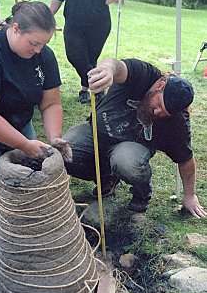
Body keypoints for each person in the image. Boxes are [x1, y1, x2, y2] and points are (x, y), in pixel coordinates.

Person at [0, 1, 71, 293]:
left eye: (44, 44)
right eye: (33, 43)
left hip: (20, 126)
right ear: (15, 28)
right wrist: (26, 145)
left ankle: (26, 252)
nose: (38, 50)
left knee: (27, 193)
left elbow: (51, 103)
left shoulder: (43, 56)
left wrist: (54, 138)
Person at [63, 57, 206, 219]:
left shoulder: (177, 121)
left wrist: (189, 196)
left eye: (165, 113)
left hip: (129, 148)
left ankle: (141, 194)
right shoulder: (144, 74)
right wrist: (107, 69)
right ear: (160, 85)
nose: (158, 112)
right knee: (65, 152)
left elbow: (186, 159)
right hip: (96, 132)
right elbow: (118, 66)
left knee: (127, 162)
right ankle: (107, 177)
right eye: (158, 105)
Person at [50, 0, 130, 104]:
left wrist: (108, 0)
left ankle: (84, 91)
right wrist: (47, 16)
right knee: (74, 56)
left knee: (91, 58)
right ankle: (98, 86)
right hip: (73, 23)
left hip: (99, 24)